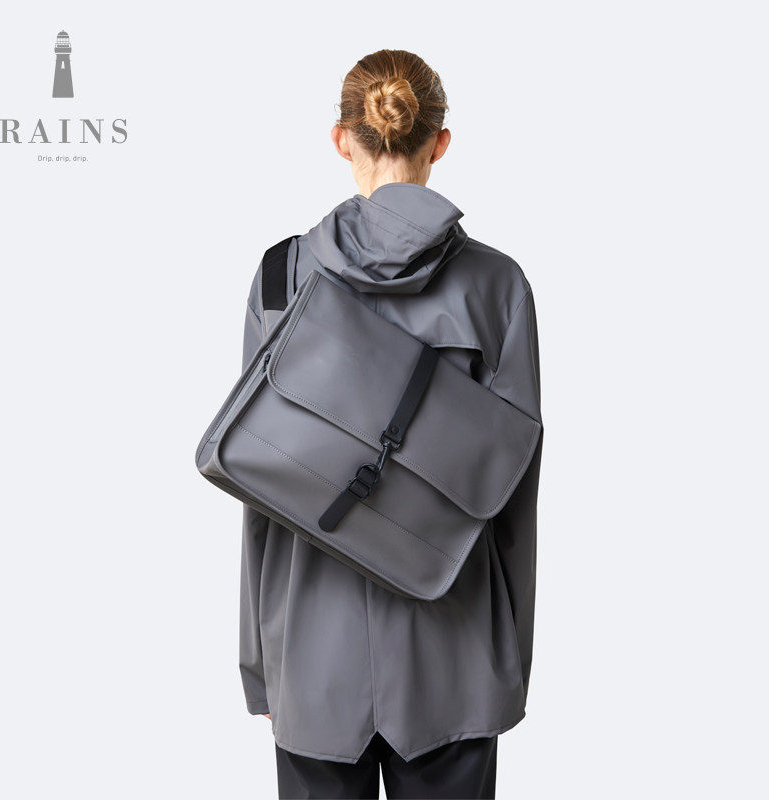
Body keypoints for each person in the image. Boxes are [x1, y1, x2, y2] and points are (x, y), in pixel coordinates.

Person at [238, 49, 544, 799]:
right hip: (454, 655)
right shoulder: (497, 287)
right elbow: (512, 497)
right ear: (440, 142)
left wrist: (260, 666)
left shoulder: (280, 277)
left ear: (342, 140)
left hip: (312, 653)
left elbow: (257, 484)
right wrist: (507, 662)